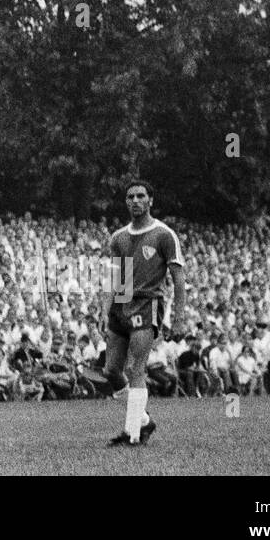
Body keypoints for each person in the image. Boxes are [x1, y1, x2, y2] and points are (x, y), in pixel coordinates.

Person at [102, 180, 185, 447]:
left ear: (151, 200)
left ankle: (133, 434)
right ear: (125, 202)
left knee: (135, 368)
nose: (135, 200)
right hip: (122, 303)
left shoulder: (163, 234)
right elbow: (116, 278)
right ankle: (144, 421)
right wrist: (106, 311)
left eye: (140, 196)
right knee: (111, 371)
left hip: (148, 304)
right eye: (130, 197)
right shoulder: (119, 237)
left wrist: (178, 317)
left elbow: (178, 278)